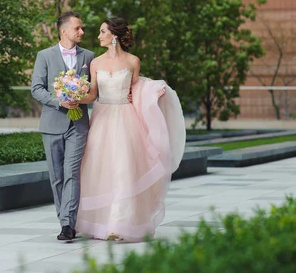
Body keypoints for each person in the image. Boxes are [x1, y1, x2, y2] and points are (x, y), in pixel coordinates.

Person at [75, 17, 186, 242]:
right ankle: (102, 223)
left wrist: (154, 94)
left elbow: (137, 93)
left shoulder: (133, 61)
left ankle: (119, 224)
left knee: (124, 169)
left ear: (114, 36)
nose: (98, 36)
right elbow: (92, 94)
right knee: (100, 170)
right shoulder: (95, 63)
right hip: (102, 119)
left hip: (126, 120)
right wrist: (74, 96)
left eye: (102, 31)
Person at [31, 12, 95, 241]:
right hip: (52, 123)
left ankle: (68, 224)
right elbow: (36, 88)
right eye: (78, 28)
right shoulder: (44, 56)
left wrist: (82, 96)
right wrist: (59, 100)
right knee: (57, 177)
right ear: (64, 31)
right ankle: (64, 220)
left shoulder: (89, 56)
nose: (82, 32)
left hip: (78, 125)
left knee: (72, 173)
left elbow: (93, 90)